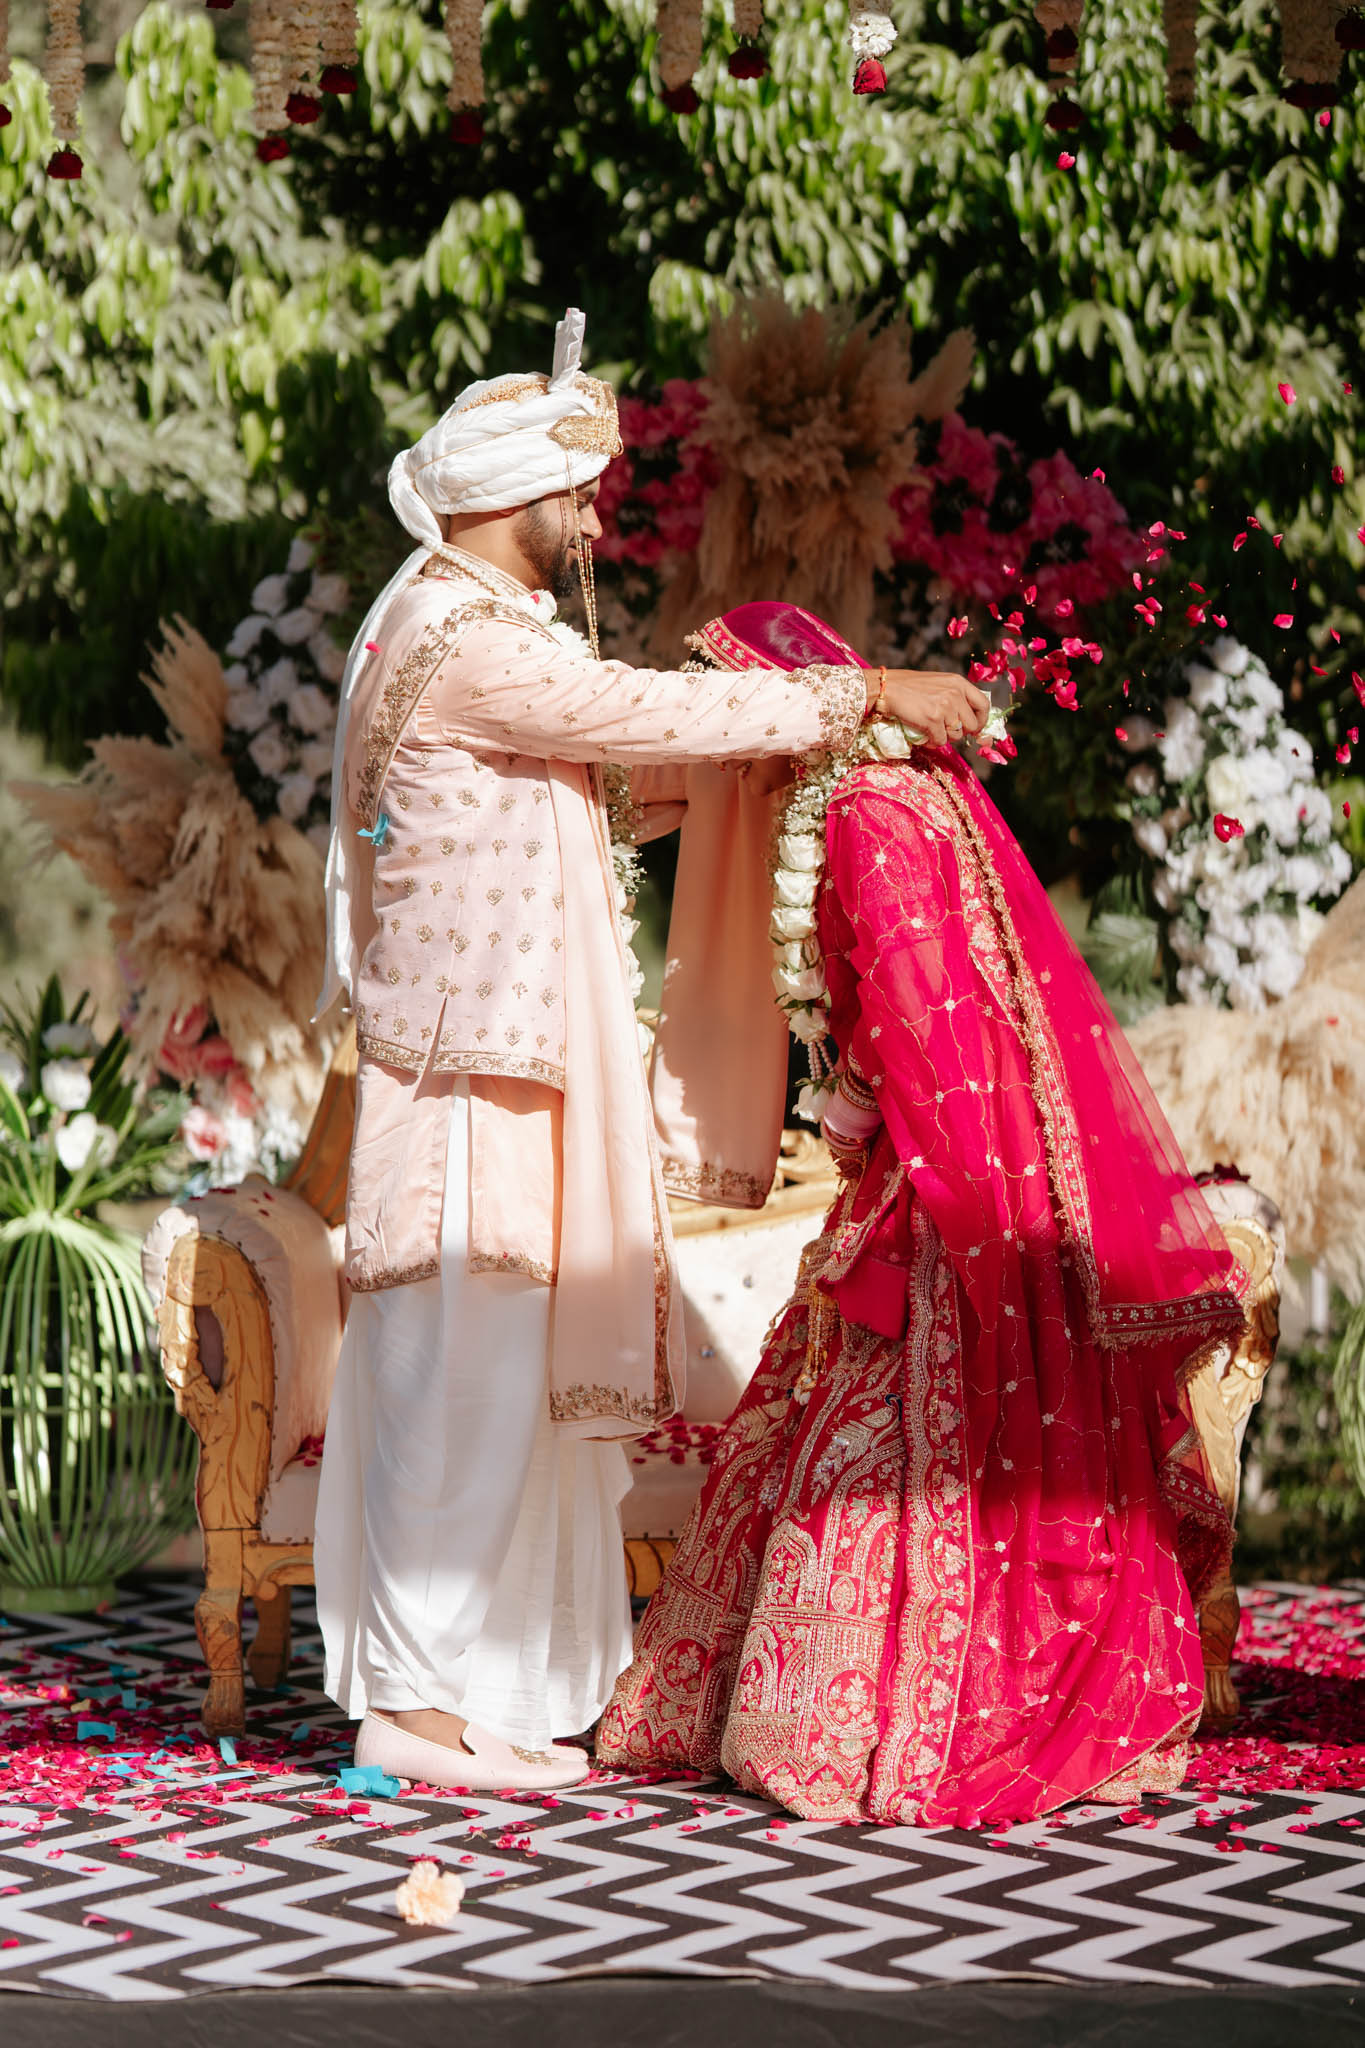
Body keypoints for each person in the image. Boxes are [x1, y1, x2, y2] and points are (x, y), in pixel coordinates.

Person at [313, 314, 991, 1794]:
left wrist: (750, 768)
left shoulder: (445, 623)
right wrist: (867, 692)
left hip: (491, 1077)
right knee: (459, 1390)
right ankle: (413, 1713)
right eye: (577, 494)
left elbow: (594, 795)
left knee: (490, 1389)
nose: (591, 521)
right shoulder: (462, 636)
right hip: (469, 1093)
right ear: (511, 492)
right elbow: (628, 713)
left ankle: (466, 1697)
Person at [597, 601, 1250, 1827]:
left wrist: (852, 1120)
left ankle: (880, 1727)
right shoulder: (902, 787)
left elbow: (919, 1015)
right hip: (968, 1167)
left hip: (942, 1185)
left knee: (885, 1453)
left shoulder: (858, 809)